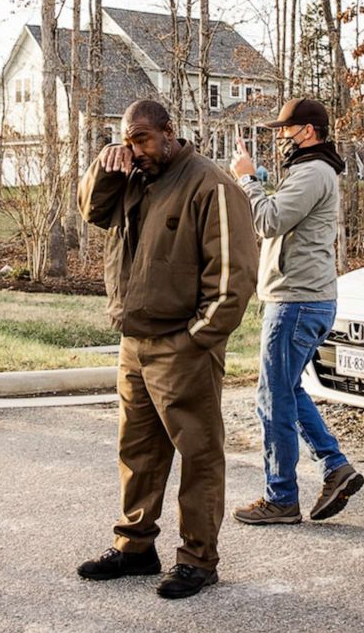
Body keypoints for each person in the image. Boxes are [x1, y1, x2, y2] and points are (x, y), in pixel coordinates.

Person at [76, 100, 258, 599]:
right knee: (137, 451)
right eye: (126, 140)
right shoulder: (133, 177)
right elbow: (91, 210)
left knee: (198, 454)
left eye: (141, 139)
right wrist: (106, 166)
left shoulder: (211, 184)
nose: (134, 149)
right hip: (134, 341)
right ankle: (135, 546)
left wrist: (195, 338)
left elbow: (233, 279)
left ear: (169, 132)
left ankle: (198, 558)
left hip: (183, 345)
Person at [229, 98, 364, 525]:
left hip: (296, 301)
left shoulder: (311, 173)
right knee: (288, 391)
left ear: (307, 131)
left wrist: (249, 180)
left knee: (272, 398)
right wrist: (261, 183)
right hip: (305, 297)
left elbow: (268, 221)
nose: (281, 138)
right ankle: (335, 466)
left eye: (285, 130)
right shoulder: (311, 172)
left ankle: (281, 497)